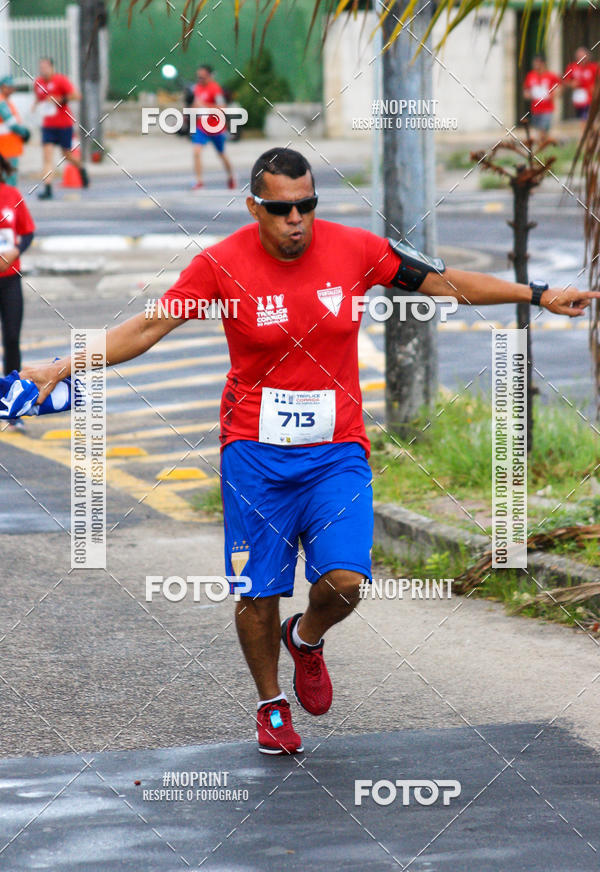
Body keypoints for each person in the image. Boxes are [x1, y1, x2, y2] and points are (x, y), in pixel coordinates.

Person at [21, 148, 596, 755]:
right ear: (254, 207)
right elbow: (146, 328)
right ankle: (271, 704)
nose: (297, 218)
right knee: (257, 591)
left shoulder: (357, 250)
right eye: (282, 208)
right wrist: (63, 364)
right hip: (254, 453)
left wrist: (537, 294)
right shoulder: (220, 264)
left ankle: (309, 636)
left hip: (336, 450)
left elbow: (446, 282)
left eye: (307, 205)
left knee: (346, 580)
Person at [0, 153, 35, 431]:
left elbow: (28, 231)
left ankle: (13, 407)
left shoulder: (12, 195)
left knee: (12, 338)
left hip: (10, 278)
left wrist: (16, 251)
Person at [32, 57, 89, 200]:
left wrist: (60, 99)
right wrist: (35, 107)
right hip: (48, 126)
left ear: (52, 67)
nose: (43, 70)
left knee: (67, 155)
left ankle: (81, 168)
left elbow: (76, 96)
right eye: (41, 67)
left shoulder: (61, 80)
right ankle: (48, 189)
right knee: (47, 157)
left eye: (46, 67)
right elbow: (39, 99)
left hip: (64, 124)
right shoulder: (38, 83)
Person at [191, 64, 236, 190]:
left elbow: (222, 108)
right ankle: (199, 181)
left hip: (216, 127)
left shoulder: (215, 89)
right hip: (201, 126)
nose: (200, 80)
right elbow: (195, 105)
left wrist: (205, 105)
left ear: (209, 76)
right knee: (196, 152)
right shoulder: (197, 88)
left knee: (221, 154)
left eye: (203, 77)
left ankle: (231, 176)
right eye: (198, 77)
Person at [0, 76, 30, 185]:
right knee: (9, 178)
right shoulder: (2, 102)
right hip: (7, 147)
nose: (12, 89)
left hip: (8, 146)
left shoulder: (6, 101)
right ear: (3, 87)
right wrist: (25, 133)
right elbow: (11, 124)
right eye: (10, 87)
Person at [523, 55, 561, 139]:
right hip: (535, 108)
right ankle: (544, 146)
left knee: (544, 129)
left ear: (543, 64)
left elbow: (559, 88)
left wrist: (552, 94)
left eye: (537, 63)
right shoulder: (531, 75)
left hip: (547, 108)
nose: (535, 65)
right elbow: (526, 90)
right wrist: (529, 95)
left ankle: (544, 145)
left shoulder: (550, 75)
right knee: (538, 130)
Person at [563, 46, 598, 124]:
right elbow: (565, 81)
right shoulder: (572, 67)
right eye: (579, 57)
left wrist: (595, 88)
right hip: (579, 98)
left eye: (583, 57)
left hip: (591, 98)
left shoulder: (594, 67)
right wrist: (571, 84)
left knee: (587, 119)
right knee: (582, 119)